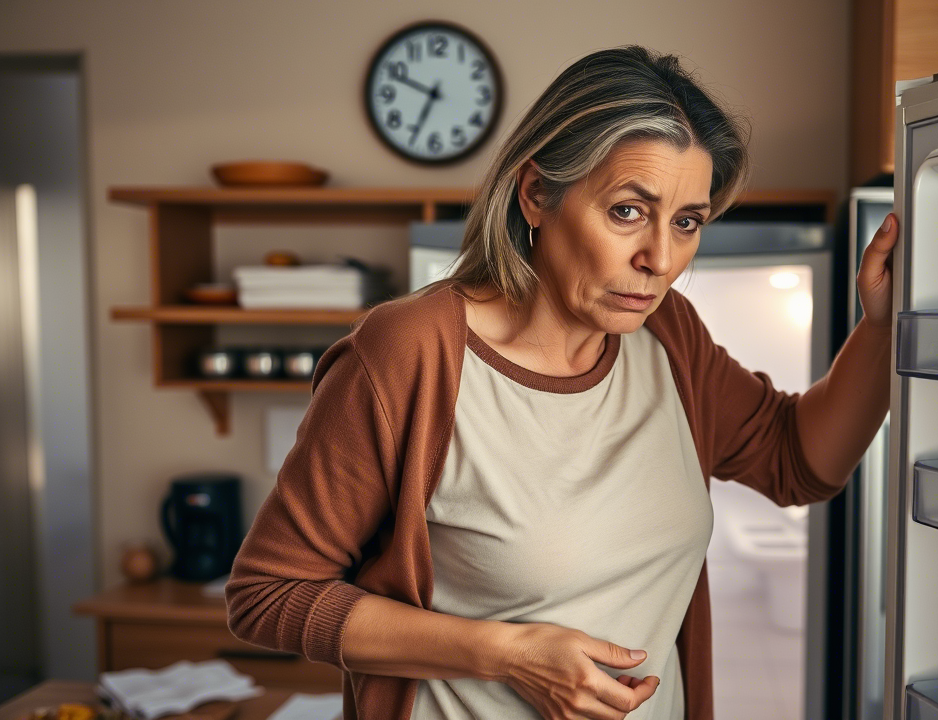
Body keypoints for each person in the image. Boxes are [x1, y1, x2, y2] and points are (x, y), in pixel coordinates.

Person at [225, 45, 898, 720]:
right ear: (537, 194)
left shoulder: (669, 336)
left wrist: (881, 327)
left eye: (687, 222)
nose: (660, 259)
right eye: (628, 211)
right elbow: (270, 593)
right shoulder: (410, 353)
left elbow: (800, 462)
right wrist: (503, 653)